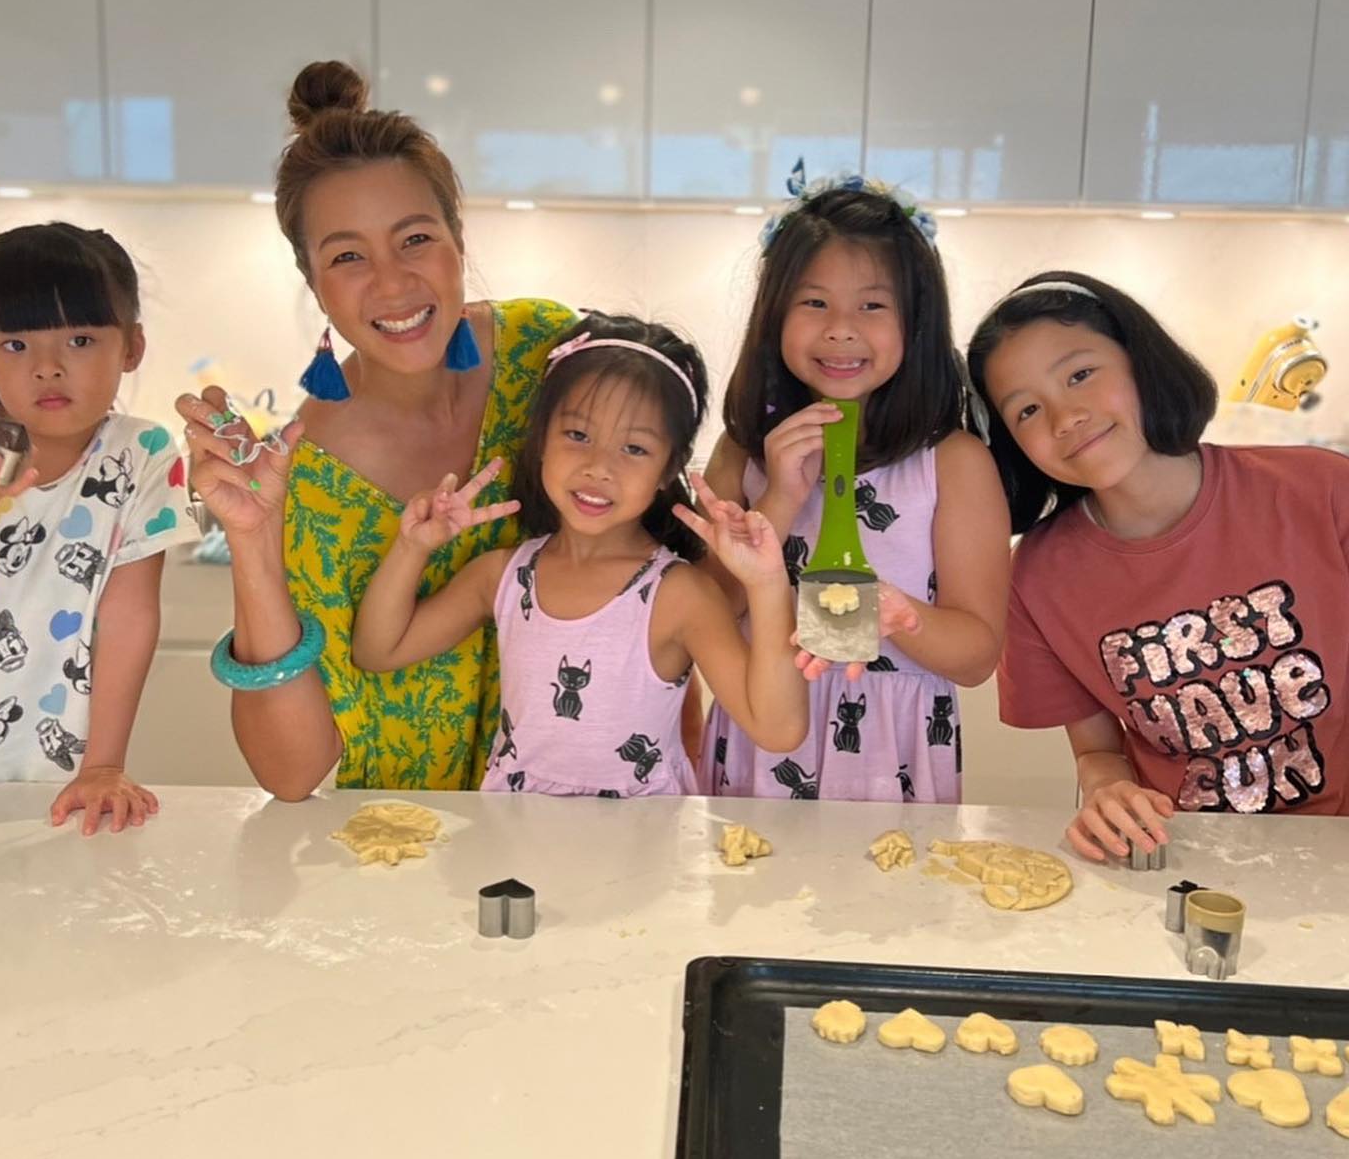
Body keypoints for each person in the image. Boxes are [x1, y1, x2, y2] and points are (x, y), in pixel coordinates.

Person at [177, 60, 576, 797]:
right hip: (407, 840)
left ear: (458, 238)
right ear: (313, 282)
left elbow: (659, 572)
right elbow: (292, 772)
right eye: (348, 256)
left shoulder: (550, 356)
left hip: (590, 816)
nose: (392, 283)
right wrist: (254, 540)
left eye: (415, 239)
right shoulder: (309, 475)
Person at [967, 271, 1349, 859]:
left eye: (1080, 375)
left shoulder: (1321, 491)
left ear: (1140, 361)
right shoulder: (1036, 579)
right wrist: (1107, 792)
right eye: (1027, 410)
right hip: (1179, 858)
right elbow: (1098, 752)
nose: (1064, 417)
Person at [352, 314, 808, 795]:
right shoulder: (504, 576)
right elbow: (379, 650)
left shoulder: (680, 595)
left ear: (667, 468)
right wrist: (412, 547)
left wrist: (766, 583)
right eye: (578, 435)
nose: (599, 467)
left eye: (634, 448)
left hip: (643, 837)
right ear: (541, 439)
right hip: (514, 826)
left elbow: (778, 730)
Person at [694, 173, 1009, 801]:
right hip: (762, 729)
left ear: (916, 323)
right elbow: (707, 615)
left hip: (892, 748)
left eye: (872, 306)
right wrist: (780, 499)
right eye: (814, 303)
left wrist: (902, 616)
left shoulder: (953, 463)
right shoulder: (743, 453)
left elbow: (977, 657)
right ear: (774, 316)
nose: (841, 329)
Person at [0, 223, 196, 830]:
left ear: (132, 348)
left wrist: (104, 766)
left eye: (81, 340)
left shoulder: (141, 453)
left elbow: (128, 617)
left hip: (51, 782)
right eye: (15, 344)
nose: (46, 368)